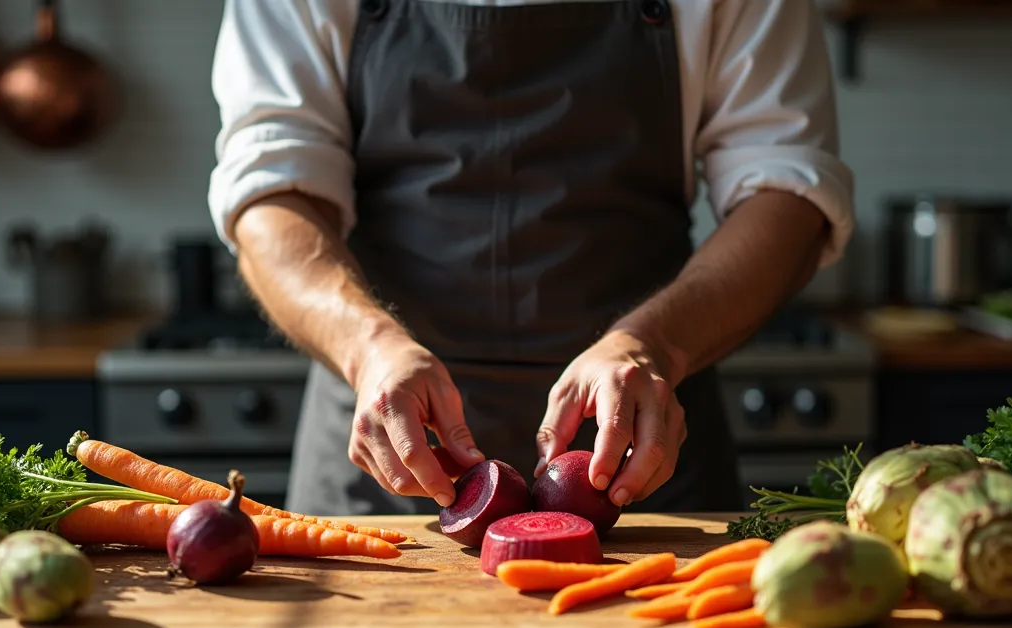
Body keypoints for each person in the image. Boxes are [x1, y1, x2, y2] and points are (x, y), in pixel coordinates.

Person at [207, 0, 855, 517]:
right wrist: (369, 346)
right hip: (384, 457)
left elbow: (787, 193)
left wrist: (652, 344)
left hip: (641, 449)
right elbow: (271, 191)